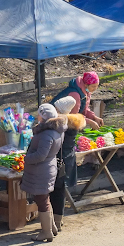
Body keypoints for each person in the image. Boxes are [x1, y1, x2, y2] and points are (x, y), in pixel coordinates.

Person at [23, 104, 66, 243]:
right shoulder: (57, 130)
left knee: (42, 200)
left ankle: (46, 232)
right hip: (47, 167)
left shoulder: (47, 134)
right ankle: (51, 227)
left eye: (39, 114)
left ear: (44, 116)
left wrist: (26, 158)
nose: (37, 117)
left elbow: (41, 155)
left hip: (41, 170)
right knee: (45, 199)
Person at [48, 96, 85, 235]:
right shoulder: (73, 123)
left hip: (59, 162)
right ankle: (58, 219)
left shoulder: (61, 126)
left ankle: (55, 222)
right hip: (67, 160)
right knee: (60, 191)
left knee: (56, 191)